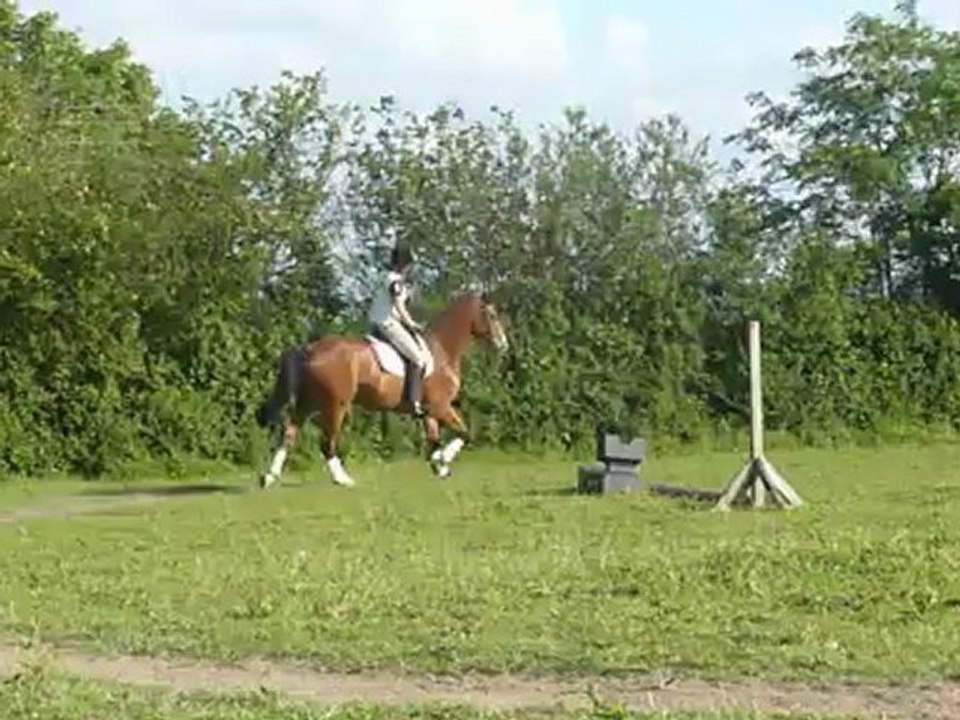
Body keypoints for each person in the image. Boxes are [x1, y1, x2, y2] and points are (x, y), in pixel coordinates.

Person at [368, 243, 428, 417]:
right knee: (417, 359)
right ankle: (412, 402)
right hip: (387, 324)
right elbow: (399, 307)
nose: (411, 268)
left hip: (375, 322)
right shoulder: (396, 281)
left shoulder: (385, 277)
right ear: (405, 264)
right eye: (409, 265)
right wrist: (412, 324)